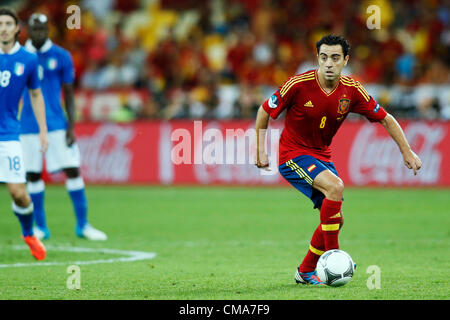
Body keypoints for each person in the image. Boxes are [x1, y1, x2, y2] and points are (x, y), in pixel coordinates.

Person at [254, 35, 422, 285]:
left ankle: (305, 270)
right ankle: (335, 258)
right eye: (323, 58)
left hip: (322, 155)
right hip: (293, 154)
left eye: (335, 58)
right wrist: (259, 148)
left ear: (345, 60)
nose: (328, 63)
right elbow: (264, 110)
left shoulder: (352, 90)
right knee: (335, 187)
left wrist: (406, 151)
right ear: (317, 59)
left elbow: (386, 118)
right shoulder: (298, 84)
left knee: (335, 219)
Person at [20, 13, 107, 241]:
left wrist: (71, 126)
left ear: (48, 30)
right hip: (28, 126)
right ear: (27, 30)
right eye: (34, 28)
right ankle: (41, 227)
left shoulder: (61, 56)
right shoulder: (19, 56)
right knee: (33, 175)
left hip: (57, 124)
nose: (38, 32)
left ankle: (83, 225)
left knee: (73, 169)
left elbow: (69, 94)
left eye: (42, 28)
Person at [0, 8, 47, 260]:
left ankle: (29, 233)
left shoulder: (28, 60)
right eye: (0, 24)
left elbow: (36, 95)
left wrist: (43, 130)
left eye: (8, 23)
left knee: (18, 193)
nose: (4, 28)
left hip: (8, 135)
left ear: (17, 28)